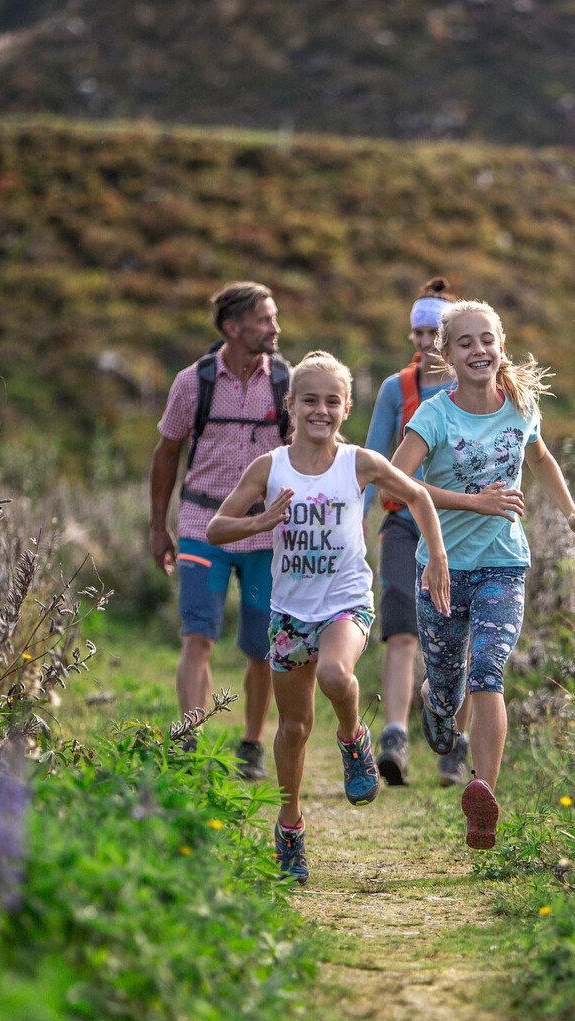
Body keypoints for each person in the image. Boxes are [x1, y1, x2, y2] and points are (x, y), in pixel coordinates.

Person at [204, 352, 453, 884]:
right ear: (290, 406)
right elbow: (216, 529)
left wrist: (436, 556)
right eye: (310, 400)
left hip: (346, 601)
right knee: (292, 726)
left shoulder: (359, 462)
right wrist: (262, 522)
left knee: (339, 675)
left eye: (332, 401)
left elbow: (419, 497)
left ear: (346, 409)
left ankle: (353, 739)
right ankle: (290, 825)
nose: (321, 410)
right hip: (289, 612)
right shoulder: (268, 467)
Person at [389, 300, 575, 850]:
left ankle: (483, 795)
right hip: (440, 568)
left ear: (501, 345)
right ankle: (436, 704)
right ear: (446, 353)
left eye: (487, 340)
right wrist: (472, 502)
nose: (478, 350)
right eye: (465, 343)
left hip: (503, 564)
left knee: (488, 668)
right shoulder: (435, 415)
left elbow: (541, 460)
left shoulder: (521, 406)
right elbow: (395, 483)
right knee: (446, 677)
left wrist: (573, 514)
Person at [147, 282, 287, 778]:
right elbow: (167, 454)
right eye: (264, 320)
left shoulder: (286, 383)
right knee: (198, 635)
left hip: (266, 536)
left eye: (273, 318)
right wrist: (158, 525)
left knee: (261, 646)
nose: (274, 328)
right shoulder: (194, 383)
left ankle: (250, 746)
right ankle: (189, 740)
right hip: (201, 530)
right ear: (233, 328)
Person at [362, 277, 460, 788]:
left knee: (455, 634)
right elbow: (372, 459)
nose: (424, 343)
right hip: (402, 524)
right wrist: (354, 517)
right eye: (417, 333)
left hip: (462, 526)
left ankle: (451, 741)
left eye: (434, 333)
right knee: (401, 630)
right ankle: (395, 738)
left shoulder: (475, 388)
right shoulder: (394, 390)